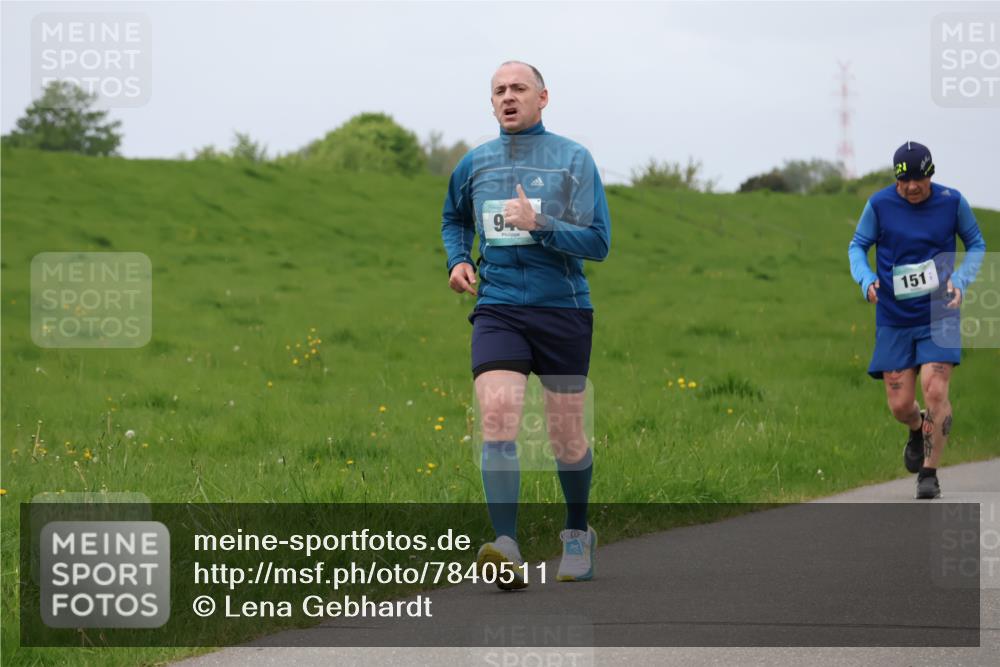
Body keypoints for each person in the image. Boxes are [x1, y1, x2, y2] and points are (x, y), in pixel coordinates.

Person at [440, 61, 611, 589]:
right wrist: (457, 260)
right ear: (491, 103)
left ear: (543, 97)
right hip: (499, 307)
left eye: (518, 88)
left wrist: (541, 225)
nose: (508, 97)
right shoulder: (475, 163)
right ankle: (507, 545)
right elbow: (454, 218)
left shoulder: (573, 160)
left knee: (565, 436)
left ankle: (578, 533)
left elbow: (599, 242)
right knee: (497, 413)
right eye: (498, 91)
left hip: (562, 308)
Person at [848, 141, 985, 499]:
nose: (911, 187)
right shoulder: (879, 205)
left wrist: (962, 280)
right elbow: (857, 246)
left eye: (918, 180)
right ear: (896, 178)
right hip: (894, 316)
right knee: (899, 405)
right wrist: (866, 280)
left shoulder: (951, 201)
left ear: (930, 174)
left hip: (939, 312)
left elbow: (977, 243)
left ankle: (929, 474)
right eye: (903, 181)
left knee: (936, 390)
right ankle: (915, 426)